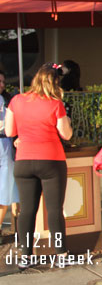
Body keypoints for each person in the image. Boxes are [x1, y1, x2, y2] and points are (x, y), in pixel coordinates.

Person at [4, 63, 73, 267]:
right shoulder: (55, 104)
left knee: (26, 210)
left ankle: (26, 256)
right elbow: (66, 134)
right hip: (51, 160)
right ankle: (61, 255)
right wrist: (66, 119)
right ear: (55, 83)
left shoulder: (16, 100)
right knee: (54, 210)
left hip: (24, 161)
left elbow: (9, 132)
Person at [0, 70, 18, 234]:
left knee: (5, 189)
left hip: (5, 143)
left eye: (3, 81)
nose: (2, 85)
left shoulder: (8, 99)